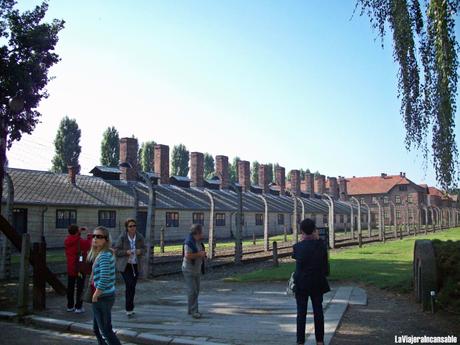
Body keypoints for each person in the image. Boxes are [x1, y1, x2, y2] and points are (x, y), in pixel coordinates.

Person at [292, 218, 330, 345]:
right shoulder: (321, 246)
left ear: (301, 231)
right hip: (317, 282)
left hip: (302, 284)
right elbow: (325, 267)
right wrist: (318, 239)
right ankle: (319, 341)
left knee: (301, 314)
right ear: (314, 230)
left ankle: (300, 341)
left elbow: (298, 261)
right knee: (318, 312)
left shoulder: (297, 247)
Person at [87, 226, 121, 345]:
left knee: (106, 331)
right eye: (94, 236)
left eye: (99, 236)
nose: (95, 239)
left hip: (103, 297)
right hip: (104, 295)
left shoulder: (105, 255)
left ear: (106, 239)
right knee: (97, 330)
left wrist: (96, 295)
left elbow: (105, 278)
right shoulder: (102, 253)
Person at [114, 218, 146, 317]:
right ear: (127, 228)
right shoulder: (122, 237)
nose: (132, 228)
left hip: (135, 264)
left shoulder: (139, 236)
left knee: (132, 286)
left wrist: (140, 251)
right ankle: (128, 308)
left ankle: (130, 308)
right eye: (130, 226)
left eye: (134, 226)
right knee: (129, 284)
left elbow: (145, 249)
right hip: (125, 265)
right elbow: (116, 251)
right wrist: (126, 252)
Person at [64, 224, 92, 313]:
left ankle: (70, 306)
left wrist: (78, 232)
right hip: (79, 268)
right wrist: (89, 234)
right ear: (77, 231)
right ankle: (78, 307)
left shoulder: (67, 240)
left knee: (70, 287)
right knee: (80, 287)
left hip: (71, 267)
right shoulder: (80, 241)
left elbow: (74, 239)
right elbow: (89, 244)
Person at [182, 224, 206, 319]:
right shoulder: (189, 242)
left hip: (196, 269)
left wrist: (202, 254)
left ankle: (190, 309)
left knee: (196, 290)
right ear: (197, 233)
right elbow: (187, 255)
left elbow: (200, 251)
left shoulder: (198, 241)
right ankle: (194, 311)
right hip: (188, 270)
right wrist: (199, 254)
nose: (202, 234)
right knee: (193, 291)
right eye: (201, 232)